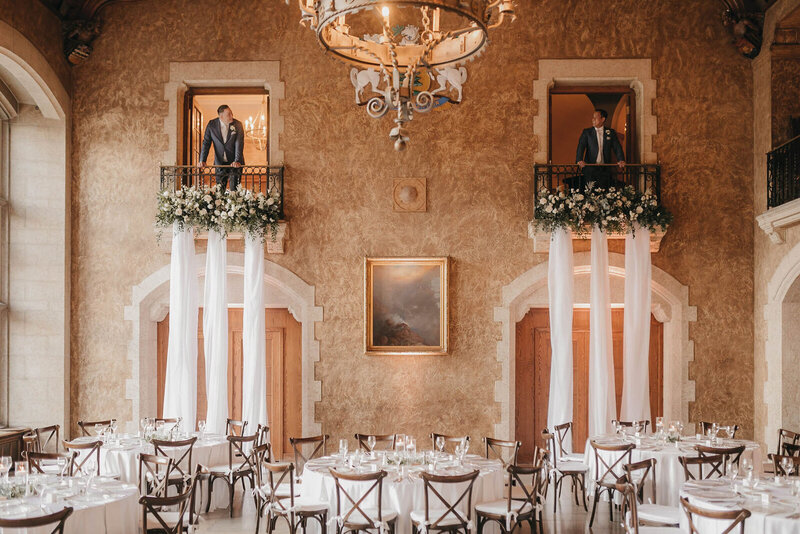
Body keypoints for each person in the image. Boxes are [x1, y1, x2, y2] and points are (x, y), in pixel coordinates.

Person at [575, 109, 626, 189]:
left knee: (604, 192)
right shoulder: (587, 132)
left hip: (605, 168)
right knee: (590, 193)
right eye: (593, 118)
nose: (593, 120)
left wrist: (621, 159)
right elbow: (581, 146)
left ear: (603, 119)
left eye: (595, 118)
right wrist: (579, 159)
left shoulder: (610, 132)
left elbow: (617, 147)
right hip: (590, 168)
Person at [198, 105, 245, 190]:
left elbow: (239, 144)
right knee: (220, 192)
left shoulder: (238, 124)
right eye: (229, 114)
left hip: (234, 164)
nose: (232, 116)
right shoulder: (211, 125)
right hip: (219, 163)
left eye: (231, 113)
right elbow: (206, 143)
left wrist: (237, 161)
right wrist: (202, 160)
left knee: (234, 192)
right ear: (221, 116)